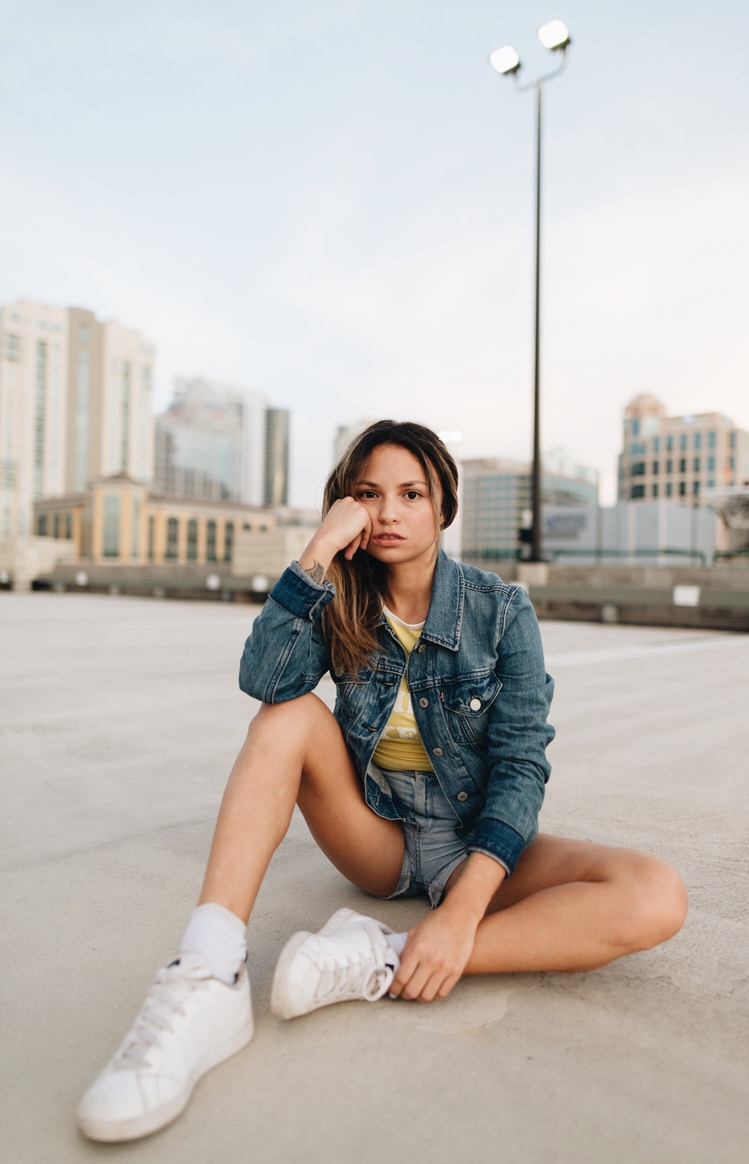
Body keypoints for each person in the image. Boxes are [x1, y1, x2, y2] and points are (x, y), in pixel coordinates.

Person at [78, 420, 687, 1142]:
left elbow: (522, 765)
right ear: (347, 507)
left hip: (477, 841)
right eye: (369, 495)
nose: (390, 513)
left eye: (411, 494)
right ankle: (207, 973)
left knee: (655, 895)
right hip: (380, 839)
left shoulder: (502, 610)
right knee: (285, 719)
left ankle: (378, 957)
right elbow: (264, 680)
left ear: (443, 507)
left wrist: (460, 914)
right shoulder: (341, 597)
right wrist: (316, 554)